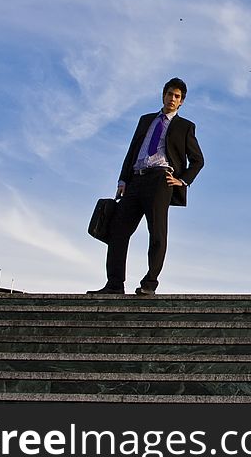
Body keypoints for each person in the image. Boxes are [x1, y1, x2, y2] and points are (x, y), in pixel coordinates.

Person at [87, 77, 204, 296]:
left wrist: (183, 180)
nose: (172, 98)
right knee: (118, 231)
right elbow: (132, 151)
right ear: (163, 96)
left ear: (181, 102)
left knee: (157, 234)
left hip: (161, 181)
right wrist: (123, 180)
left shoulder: (185, 127)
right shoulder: (145, 120)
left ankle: (149, 284)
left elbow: (198, 160)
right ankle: (114, 285)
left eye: (177, 96)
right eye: (169, 94)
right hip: (135, 180)